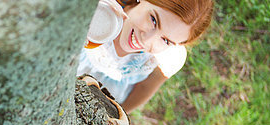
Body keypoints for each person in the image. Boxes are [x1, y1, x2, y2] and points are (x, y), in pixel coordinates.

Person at [77, 0, 213, 112]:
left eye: (166, 40)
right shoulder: (100, 10)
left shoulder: (165, 59)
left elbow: (144, 89)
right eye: (153, 20)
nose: (147, 40)